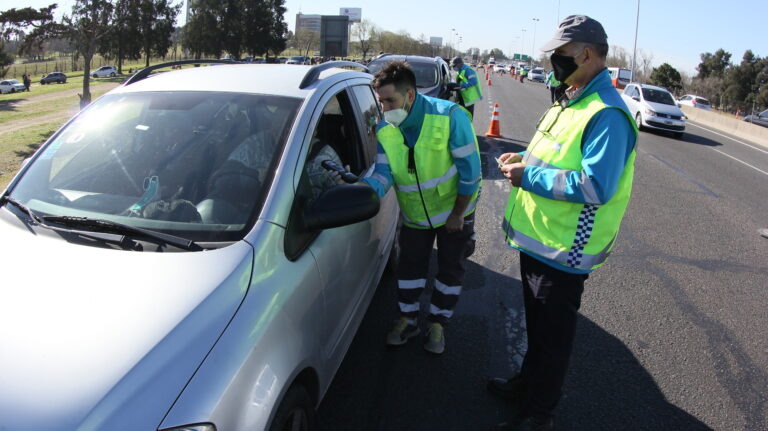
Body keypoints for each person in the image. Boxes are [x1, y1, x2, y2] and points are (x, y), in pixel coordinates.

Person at [490, 15, 638, 430]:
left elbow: (596, 186)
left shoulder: (605, 113)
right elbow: (556, 157)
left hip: (564, 250)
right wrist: (523, 161)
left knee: (552, 340)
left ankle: (539, 414)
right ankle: (526, 386)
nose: (554, 61)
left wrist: (527, 177)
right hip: (540, 239)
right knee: (537, 330)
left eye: (561, 54)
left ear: (586, 54)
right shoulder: (572, 99)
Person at [361, 61, 481, 355]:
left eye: (391, 100)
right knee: (410, 269)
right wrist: (362, 192)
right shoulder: (386, 130)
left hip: (454, 212)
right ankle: (408, 319)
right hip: (415, 215)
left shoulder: (451, 117)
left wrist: (457, 214)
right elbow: (383, 173)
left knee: (450, 270)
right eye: (381, 102)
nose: (385, 108)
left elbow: (471, 173)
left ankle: (438, 323)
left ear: (410, 95)